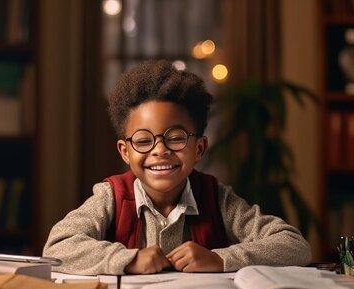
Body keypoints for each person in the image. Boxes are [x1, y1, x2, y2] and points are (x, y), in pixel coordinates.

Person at [43, 60, 311, 275]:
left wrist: (219, 259)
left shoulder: (217, 198)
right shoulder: (111, 197)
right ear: (125, 152)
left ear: (199, 149)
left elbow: (294, 245)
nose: (160, 150)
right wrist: (129, 259)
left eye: (175, 138)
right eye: (144, 140)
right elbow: (57, 247)